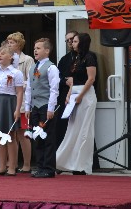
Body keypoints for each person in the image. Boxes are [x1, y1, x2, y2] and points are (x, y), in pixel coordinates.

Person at [56, 33, 97, 175]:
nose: (72, 43)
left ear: (82, 42)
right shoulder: (76, 58)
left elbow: (91, 79)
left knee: (84, 130)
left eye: (74, 41)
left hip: (85, 95)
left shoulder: (89, 57)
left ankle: (82, 164)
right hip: (75, 93)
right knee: (72, 129)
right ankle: (67, 162)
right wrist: (69, 94)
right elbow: (73, 80)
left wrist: (80, 95)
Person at [0, 45, 24, 176]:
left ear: (11, 57)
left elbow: (19, 92)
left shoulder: (16, 73)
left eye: (3, 53)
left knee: (10, 135)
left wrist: (17, 109)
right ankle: (2, 166)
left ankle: (12, 166)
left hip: (9, 102)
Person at [25, 38, 60, 178]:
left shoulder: (51, 68)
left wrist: (51, 108)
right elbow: (29, 88)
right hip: (35, 107)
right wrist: (27, 107)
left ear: (47, 50)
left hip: (46, 106)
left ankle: (49, 168)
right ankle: (40, 166)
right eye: (35, 48)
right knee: (37, 137)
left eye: (38, 48)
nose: (35, 50)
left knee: (48, 137)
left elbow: (54, 89)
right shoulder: (33, 67)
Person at [6, 31, 35, 173]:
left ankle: (27, 164)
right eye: (8, 42)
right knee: (12, 133)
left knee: (23, 133)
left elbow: (31, 81)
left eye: (12, 42)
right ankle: (13, 163)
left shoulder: (28, 59)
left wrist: (17, 85)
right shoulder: (7, 59)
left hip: (22, 100)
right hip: (9, 100)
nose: (9, 45)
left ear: (19, 44)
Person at [55, 31, 78, 150]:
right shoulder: (64, 59)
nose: (69, 42)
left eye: (72, 39)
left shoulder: (88, 57)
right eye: (67, 40)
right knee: (63, 128)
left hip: (80, 95)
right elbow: (57, 78)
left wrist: (75, 81)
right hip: (65, 97)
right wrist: (65, 81)